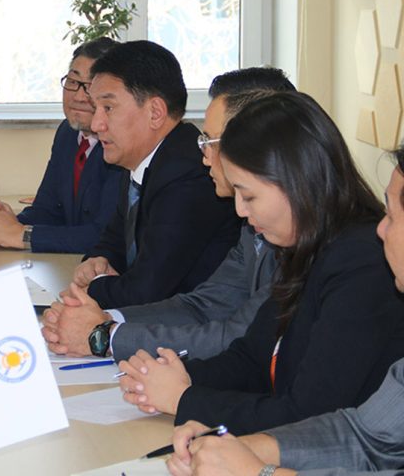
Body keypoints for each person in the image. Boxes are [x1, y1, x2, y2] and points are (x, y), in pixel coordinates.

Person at [118, 91, 404, 437]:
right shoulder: (307, 245)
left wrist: (184, 399)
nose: (240, 209)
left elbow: (308, 414)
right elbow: (252, 358)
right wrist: (175, 376)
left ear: (297, 183)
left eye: (249, 195)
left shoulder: (362, 264)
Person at [167, 146, 404, 476]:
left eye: (391, 216)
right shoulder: (311, 251)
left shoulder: (360, 260)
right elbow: (365, 437)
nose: (380, 229)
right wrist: (243, 447)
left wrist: (258, 472)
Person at [42, 67, 295, 360]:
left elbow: (239, 335)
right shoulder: (252, 226)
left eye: (210, 142)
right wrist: (104, 320)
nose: (203, 156)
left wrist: (104, 336)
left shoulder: (302, 232)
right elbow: (203, 306)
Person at [63, 40, 240, 314]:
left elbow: (146, 291)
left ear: (155, 113)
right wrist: (96, 261)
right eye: (95, 109)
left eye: (108, 108)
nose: (96, 124)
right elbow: (112, 239)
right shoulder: (141, 158)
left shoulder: (189, 174)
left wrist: (91, 287)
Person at [0, 38, 122, 253]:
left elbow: (105, 235)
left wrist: (19, 234)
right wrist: (1, 225)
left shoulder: (121, 144)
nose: (78, 96)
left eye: (91, 86)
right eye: (73, 81)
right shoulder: (67, 133)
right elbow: (48, 210)